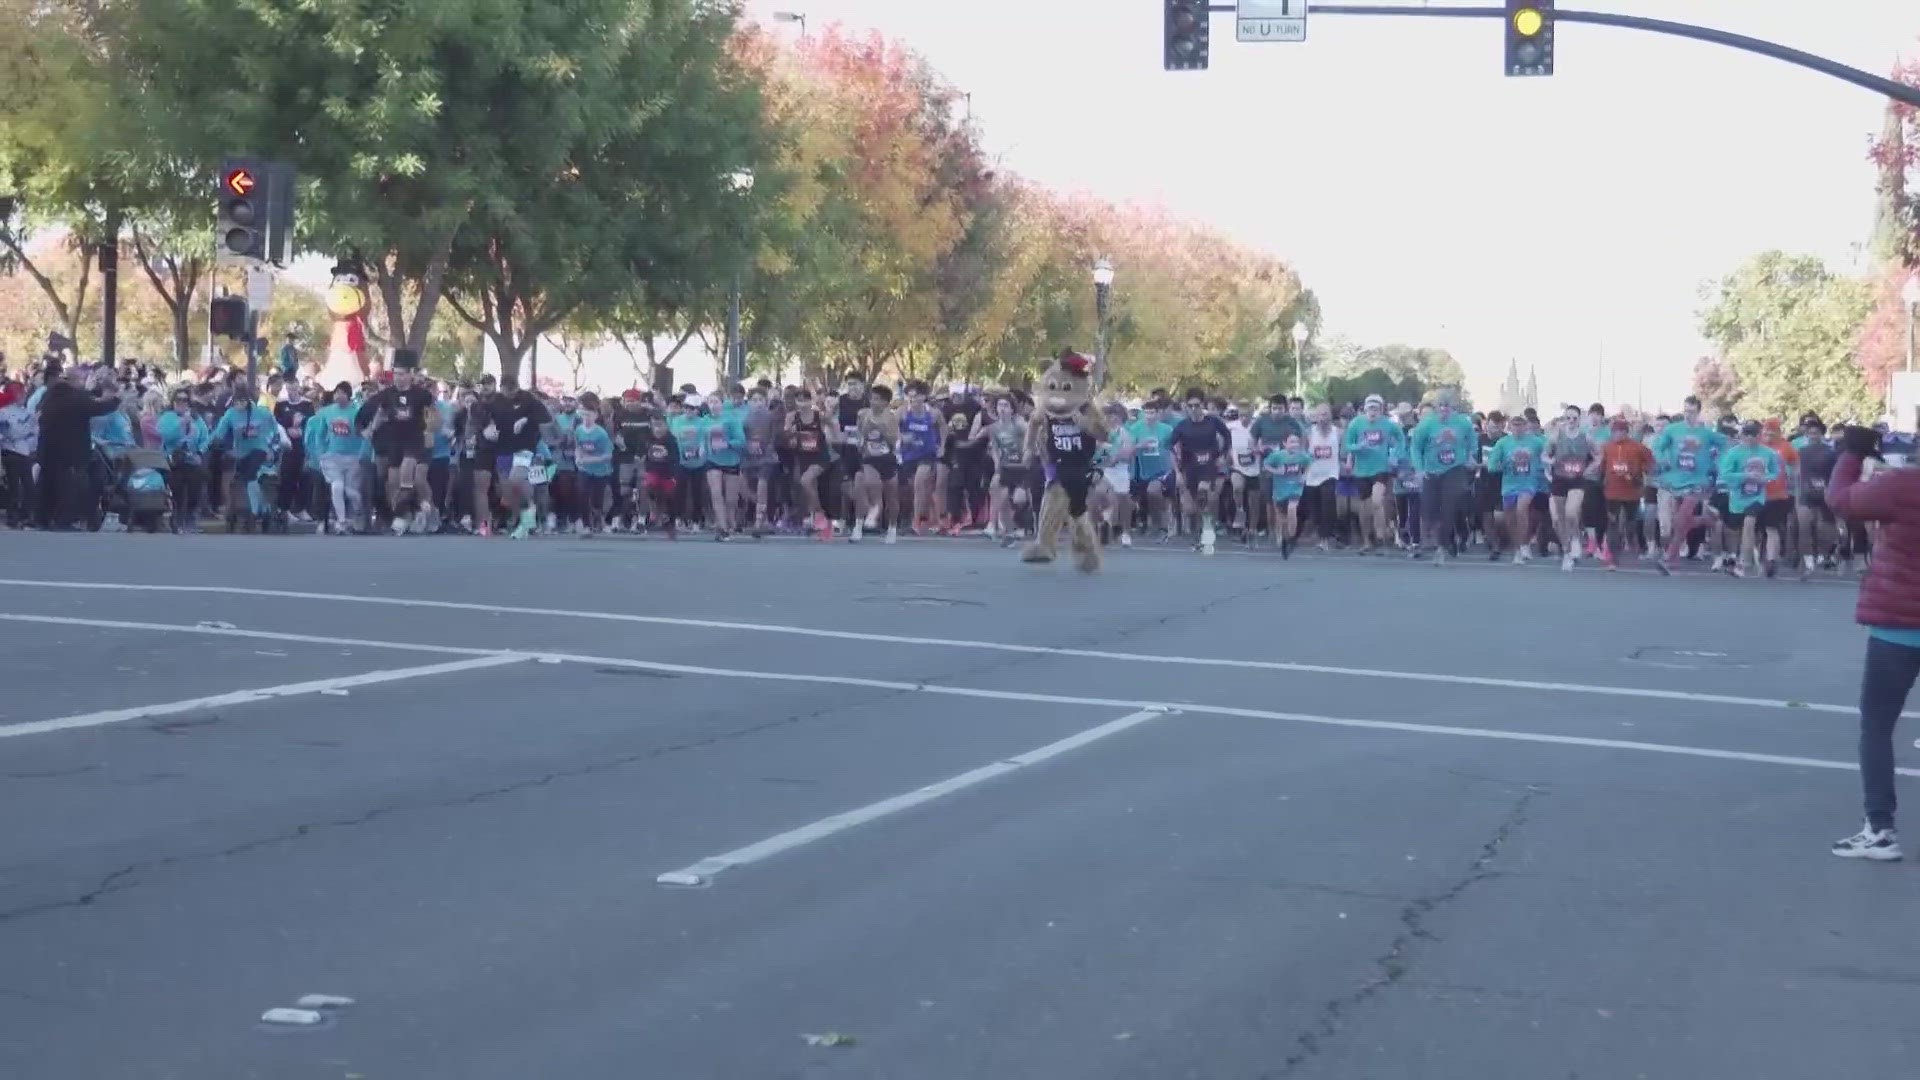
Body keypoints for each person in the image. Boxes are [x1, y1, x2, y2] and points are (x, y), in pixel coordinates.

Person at [1825, 424, 1920, 861]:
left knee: (1877, 727)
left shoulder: (1900, 486)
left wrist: (1852, 453)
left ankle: (1880, 828)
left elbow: (1841, 500)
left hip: (1898, 626)